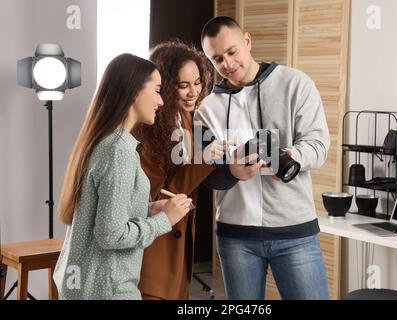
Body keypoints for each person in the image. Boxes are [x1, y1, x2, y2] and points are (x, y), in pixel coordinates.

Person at [194, 16, 330, 300]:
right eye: (217, 59)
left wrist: (291, 157)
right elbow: (205, 174)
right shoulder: (207, 108)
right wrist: (230, 172)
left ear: (247, 40)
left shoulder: (296, 84)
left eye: (232, 52)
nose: (227, 64)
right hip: (236, 237)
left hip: (294, 233)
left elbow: (318, 144)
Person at [53, 53, 192, 300]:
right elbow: (111, 235)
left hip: (82, 285)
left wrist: (147, 209)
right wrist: (165, 220)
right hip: (106, 288)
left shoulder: (104, 141)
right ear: (134, 92)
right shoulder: (119, 151)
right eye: (158, 90)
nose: (161, 101)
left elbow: (103, 210)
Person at [133, 41, 231, 300]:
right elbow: (155, 198)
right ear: (164, 85)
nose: (193, 92)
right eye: (183, 85)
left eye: (197, 83)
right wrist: (202, 160)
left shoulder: (190, 118)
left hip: (179, 248)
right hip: (155, 252)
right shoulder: (148, 126)